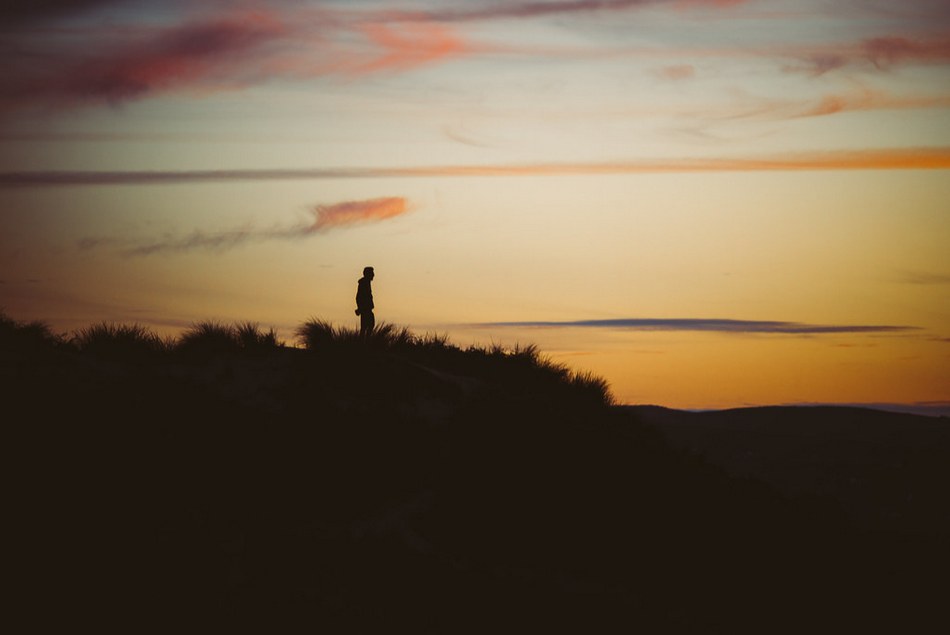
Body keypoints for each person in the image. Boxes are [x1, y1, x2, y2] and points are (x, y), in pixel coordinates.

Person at [355, 266, 375, 338]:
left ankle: (365, 341)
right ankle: (364, 342)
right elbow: (358, 297)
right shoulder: (363, 283)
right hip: (366, 310)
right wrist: (361, 308)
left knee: (369, 326)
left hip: (367, 309)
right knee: (365, 327)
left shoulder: (366, 283)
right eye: (372, 273)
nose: (373, 275)